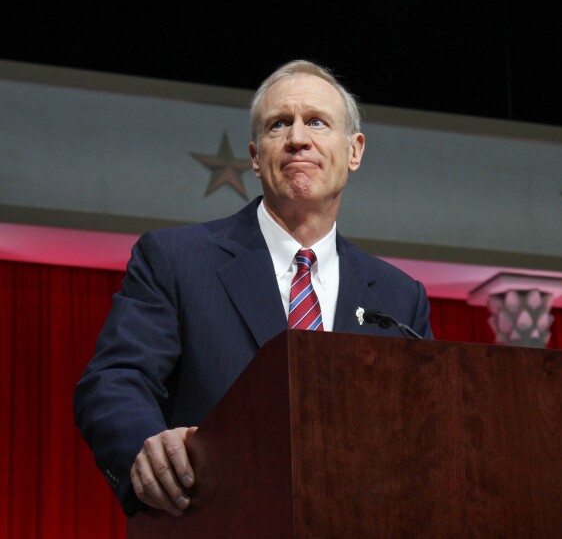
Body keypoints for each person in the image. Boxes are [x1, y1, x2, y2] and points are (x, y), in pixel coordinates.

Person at [73, 60, 433, 517]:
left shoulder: (400, 297)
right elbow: (114, 381)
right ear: (256, 156)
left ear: (354, 151)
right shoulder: (176, 260)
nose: (297, 138)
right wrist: (146, 449)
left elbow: (427, 433)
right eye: (279, 124)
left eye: (316, 122)